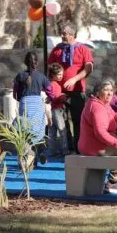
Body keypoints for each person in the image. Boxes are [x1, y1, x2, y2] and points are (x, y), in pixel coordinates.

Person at [48, 21, 94, 149]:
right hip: (59, 93)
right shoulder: (57, 49)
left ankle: (79, 147)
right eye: (62, 33)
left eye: (65, 33)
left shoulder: (83, 49)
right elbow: (50, 67)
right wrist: (52, 86)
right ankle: (67, 148)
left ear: (72, 35)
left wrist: (74, 79)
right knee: (63, 122)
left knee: (78, 121)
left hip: (77, 92)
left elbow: (89, 68)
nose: (62, 36)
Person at [12, 51, 54, 161]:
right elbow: (51, 92)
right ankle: (40, 151)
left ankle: (28, 155)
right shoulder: (42, 77)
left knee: (24, 131)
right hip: (37, 105)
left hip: (24, 104)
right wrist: (50, 99)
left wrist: (21, 99)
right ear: (37, 62)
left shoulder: (20, 76)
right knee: (39, 130)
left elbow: (15, 94)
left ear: (25, 62)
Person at [47, 63, 70, 157]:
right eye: (59, 74)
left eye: (61, 74)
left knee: (52, 132)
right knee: (62, 130)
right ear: (53, 75)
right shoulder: (55, 85)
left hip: (50, 110)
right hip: (56, 110)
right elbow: (56, 97)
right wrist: (64, 97)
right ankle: (65, 150)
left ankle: (51, 150)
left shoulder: (49, 84)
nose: (61, 76)